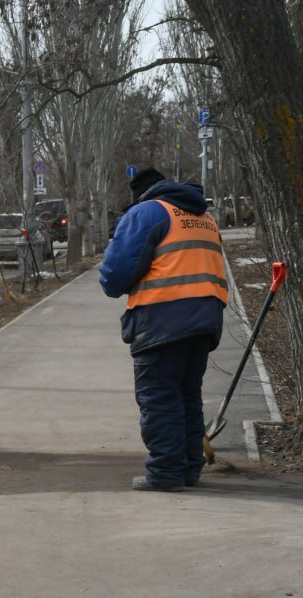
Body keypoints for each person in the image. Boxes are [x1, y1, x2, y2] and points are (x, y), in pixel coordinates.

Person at [99, 167, 227, 492]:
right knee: (187, 397)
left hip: (161, 321)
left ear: (143, 193)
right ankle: (187, 468)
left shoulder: (148, 213)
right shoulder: (204, 217)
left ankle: (166, 472)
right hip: (205, 321)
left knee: (159, 398)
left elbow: (114, 277)